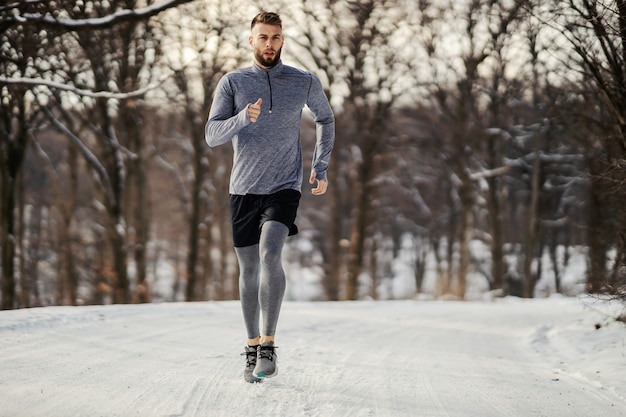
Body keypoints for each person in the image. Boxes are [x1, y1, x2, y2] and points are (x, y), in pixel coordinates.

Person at [205, 11, 335, 383]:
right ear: (251, 41)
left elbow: (326, 118)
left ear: (282, 40)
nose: (269, 44)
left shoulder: (303, 81)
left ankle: (269, 345)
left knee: (270, 253)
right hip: (243, 189)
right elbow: (213, 134)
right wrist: (243, 117)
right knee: (248, 269)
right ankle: (250, 346)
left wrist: (319, 164)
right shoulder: (233, 83)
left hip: (284, 185)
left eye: (275, 37)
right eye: (263, 37)